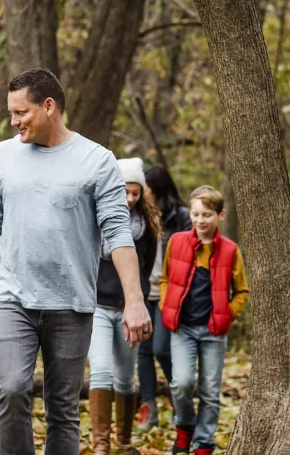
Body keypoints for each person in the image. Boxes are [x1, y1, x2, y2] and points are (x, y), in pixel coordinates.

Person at [0, 68, 153, 455]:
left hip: (72, 302)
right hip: (14, 296)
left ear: (49, 107)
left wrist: (134, 301)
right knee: (11, 390)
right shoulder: (2, 155)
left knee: (62, 409)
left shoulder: (97, 161)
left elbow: (118, 234)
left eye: (21, 112)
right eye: (11, 113)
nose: (14, 122)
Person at [159, 185, 250, 455]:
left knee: (210, 390)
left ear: (220, 215)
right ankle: (184, 427)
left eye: (207, 215)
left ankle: (204, 442)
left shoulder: (231, 250)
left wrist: (227, 314)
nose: (200, 221)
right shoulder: (176, 242)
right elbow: (165, 279)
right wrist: (166, 306)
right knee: (182, 383)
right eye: (196, 214)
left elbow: (242, 291)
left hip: (213, 332)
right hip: (182, 328)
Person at [88, 157, 161, 455]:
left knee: (124, 377)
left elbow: (144, 271)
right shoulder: (93, 220)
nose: (130, 199)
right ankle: (101, 445)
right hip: (97, 306)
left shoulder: (147, 229)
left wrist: (140, 303)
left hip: (129, 311)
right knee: (101, 369)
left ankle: (124, 442)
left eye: (135, 193)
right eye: (124, 192)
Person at [136, 166, 193, 431]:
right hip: (143, 293)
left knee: (161, 349)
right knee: (143, 353)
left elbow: (193, 253)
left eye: (143, 188)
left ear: (155, 188)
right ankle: (149, 410)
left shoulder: (180, 217)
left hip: (168, 293)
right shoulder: (139, 216)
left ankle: (180, 402)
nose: (139, 192)